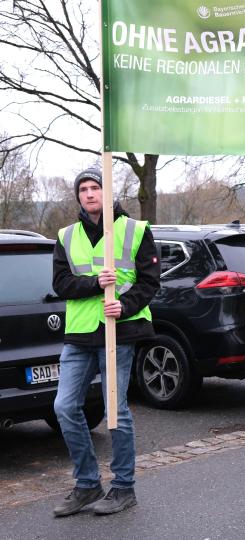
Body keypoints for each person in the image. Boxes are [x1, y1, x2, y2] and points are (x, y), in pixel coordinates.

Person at [51, 168, 160, 516]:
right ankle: (87, 485)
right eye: (83, 189)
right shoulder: (66, 236)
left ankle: (124, 487)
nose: (89, 193)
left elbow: (149, 282)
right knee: (64, 407)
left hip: (119, 331)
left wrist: (124, 305)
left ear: (107, 191)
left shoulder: (135, 230)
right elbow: (61, 284)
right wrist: (95, 283)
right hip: (80, 333)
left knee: (116, 411)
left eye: (95, 187)